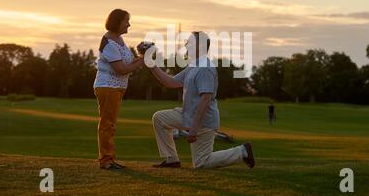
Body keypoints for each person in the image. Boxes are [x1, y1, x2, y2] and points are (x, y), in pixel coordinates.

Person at [146, 31, 255, 169]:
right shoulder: (193, 65)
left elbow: (206, 99)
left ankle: (242, 151)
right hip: (188, 116)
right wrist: (150, 63)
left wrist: (194, 128)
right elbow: (170, 82)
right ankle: (171, 159)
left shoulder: (205, 69)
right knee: (160, 118)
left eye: (189, 42)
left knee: (201, 163)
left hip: (203, 121)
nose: (185, 44)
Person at [93, 9, 144, 170]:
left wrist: (143, 56)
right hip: (108, 86)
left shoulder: (119, 40)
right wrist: (143, 61)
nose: (129, 24)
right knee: (107, 124)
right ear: (117, 22)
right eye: (126, 21)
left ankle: (108, 159)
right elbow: (121, 69)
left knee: (110, 123)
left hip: (116, 88)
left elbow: (128, 63)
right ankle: (106, 160)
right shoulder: (109, 43)